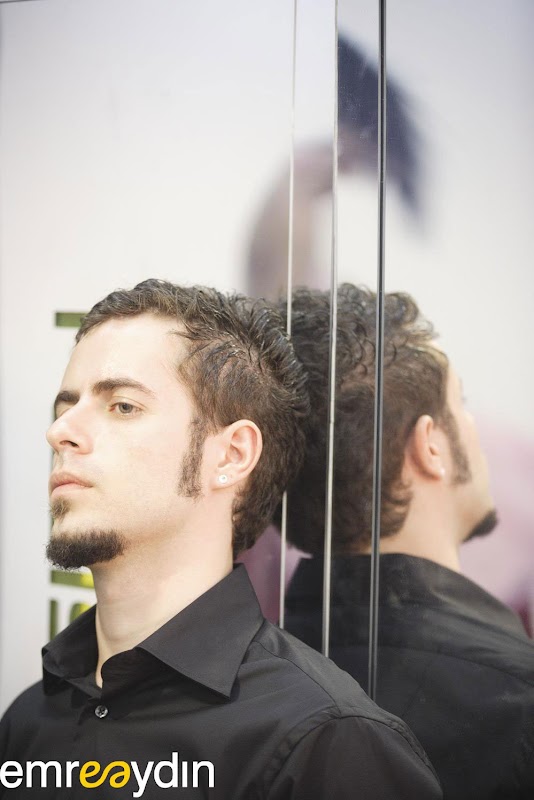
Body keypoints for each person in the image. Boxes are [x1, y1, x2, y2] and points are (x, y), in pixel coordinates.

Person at [0, 279, 441, 799]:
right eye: (65, 407)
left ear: (231, 455)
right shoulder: (29, 720)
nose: (60, 433)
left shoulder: (326, 745)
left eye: (122, 406)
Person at [282, 284, 534, 800]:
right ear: (430, 446)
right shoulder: (517, 697)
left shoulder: (242, 681)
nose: (474, 426)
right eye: (461, 403)